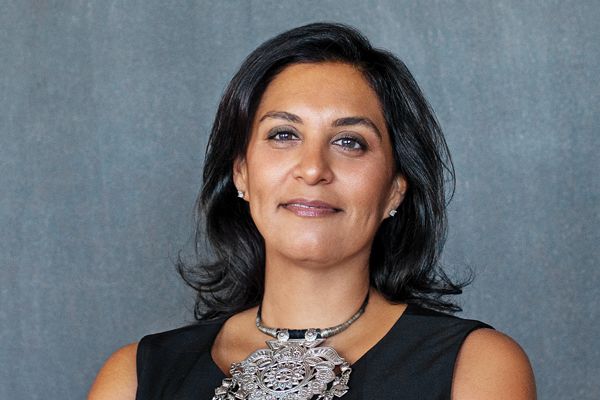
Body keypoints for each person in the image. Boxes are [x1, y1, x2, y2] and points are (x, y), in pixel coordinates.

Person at [88, 23, 536, 399]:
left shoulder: (475, 367)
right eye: (283, 135)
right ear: (241, 172)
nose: (313, 169)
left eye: (349, 142)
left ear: (395, 190)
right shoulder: (135, 378)